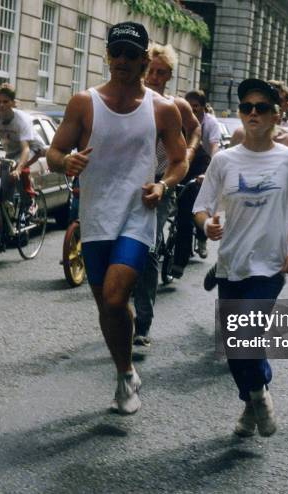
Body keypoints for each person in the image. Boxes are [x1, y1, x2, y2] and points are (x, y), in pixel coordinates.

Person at [46, 22, 188, 415]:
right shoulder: (83, 103)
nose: (122, 61)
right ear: (108, 56)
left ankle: (125, 375)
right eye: (116, 53)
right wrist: (66, 161)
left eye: (131, 54)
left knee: (114, 295)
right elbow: (54, 152)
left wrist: (164, 186)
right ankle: (125, 373)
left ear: (145, 59)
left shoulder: (162, 109)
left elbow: (179, 160)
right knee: (107, 307)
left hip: (137, 215)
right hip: (95, 216)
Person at [193, 79, 288, 437]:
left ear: (275, 115)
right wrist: (207, 227)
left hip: (270, 265)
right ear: (239, 114)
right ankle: (253, 398)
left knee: (247, 332)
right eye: (246, 107)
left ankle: (258, 393)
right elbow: (201, 208)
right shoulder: (223, 160)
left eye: (261, 108)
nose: (253, 113)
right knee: (235, 348)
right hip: (230, 264)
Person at [132, 43, 201, 347]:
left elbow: (195, 128)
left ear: (170, 75)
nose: (154, 77)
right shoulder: (130, 101)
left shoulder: (176, 106)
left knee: (147, 250)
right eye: (151, 70)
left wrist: (189, 150)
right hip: (129, 183)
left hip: (162, 182)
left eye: (161, 72)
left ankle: (142, 324)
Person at [204, 81, 288, 292]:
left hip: (273, 228)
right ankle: (225, 264)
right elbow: (230, 168)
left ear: (282, 106)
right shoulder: (241, 133)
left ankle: (267, 273)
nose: (255, 110)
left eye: (279, 99)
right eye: (248, 106)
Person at [169, 89, 221, 279]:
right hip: (180, 164)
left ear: (203, 108)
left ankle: (187, 252)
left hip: (202, 165)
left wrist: (207, 173)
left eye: (196, 107)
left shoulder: (211, 123)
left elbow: (214, 148)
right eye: (188, 107)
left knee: (189, 212)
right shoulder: (177, 119)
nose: (192, 111)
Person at [0, 83, 37, 205]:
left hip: (32, 148)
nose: (1, 105)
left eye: (5, 102)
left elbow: (25, 149)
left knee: (16, 170)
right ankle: (6, 211)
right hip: (11, 151)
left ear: (13, 103)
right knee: (5, 187)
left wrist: (19, 170)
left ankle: (30, 202)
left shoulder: (22, 120)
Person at [230, 80, 288, 152]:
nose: (275, 105)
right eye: (263, 104)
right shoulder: (240, 135)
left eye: (279, 101)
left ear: (287, 105)